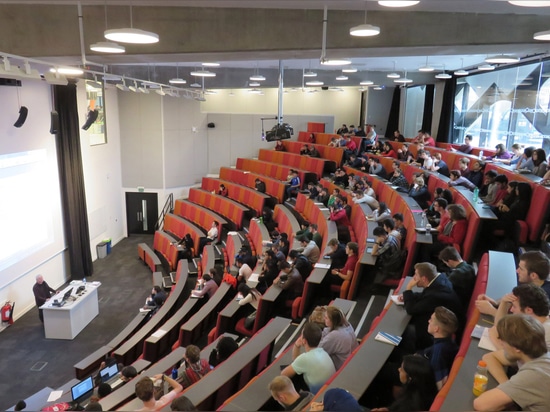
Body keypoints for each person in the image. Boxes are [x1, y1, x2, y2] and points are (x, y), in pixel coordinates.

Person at [473, 314, 550, 411]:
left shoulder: (534, 375)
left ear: (516, 348)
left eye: (503, 340)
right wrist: (509, 388)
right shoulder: (536, 352)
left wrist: (510, 390)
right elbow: (489, 358)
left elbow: (481, 404)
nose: (500, 343)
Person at [483, 284, 550, 384]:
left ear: (528, 310)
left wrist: (496, 340)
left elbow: (516, 356)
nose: (511, 310)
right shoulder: (533, 324)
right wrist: (504, 303)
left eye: (514, 306)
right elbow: (501, 328)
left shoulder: (543, 333)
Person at [399, 262, 463, 350]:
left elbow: (411, 309)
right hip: (443, 317)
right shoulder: (440, 279)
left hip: (441, 330)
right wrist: (411, 295)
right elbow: (426, 295)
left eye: (416, 275)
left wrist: (409, 288)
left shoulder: (435, 296)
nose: (414, 277)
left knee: (404, 329)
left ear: (424, 279)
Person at [281, 322, 336, 394]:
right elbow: (296, 362)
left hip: (318, 395)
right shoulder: (323, 352)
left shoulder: (305, 359)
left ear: (304, 341)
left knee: (290, 376)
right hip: (328, 388)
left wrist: (296, 346)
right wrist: (297, 346)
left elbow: (283, 374)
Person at [421, 306, 459, 389]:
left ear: (436, 329)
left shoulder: (438, 355)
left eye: (431, 319)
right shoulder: (450, 339)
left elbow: (437, 385)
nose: (428, 321)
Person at [319, 306, 358, 370]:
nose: (323, 319)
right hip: (352, 361)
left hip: (343, 369)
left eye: (326, 318)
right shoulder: (347, 324)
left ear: (333, 321)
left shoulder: (335, 336)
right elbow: (328, 330)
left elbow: (318, 350)